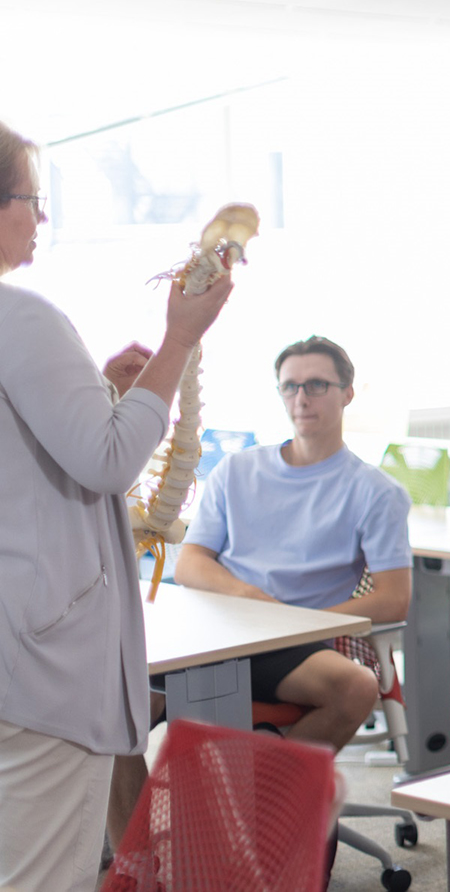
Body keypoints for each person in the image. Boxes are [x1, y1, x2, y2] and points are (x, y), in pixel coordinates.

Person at [0, 120, 233, 892]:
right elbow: (106, 459)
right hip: (40, 655)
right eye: (33, 199)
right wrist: (179, 341)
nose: (40, 218)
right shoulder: (21, 316)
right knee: (38, 873)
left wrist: (96, 393)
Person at [173, 336, 412, 742]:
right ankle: (137, 807)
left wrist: (301, 623)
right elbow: (190, 562)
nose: (302, 398)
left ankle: (276, 796)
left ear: (347, 394)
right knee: (118, 691)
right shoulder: (236, 470)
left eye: (317, 385)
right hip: (219, 624)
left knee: (357, 687)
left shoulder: (376, 491)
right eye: (291, 386)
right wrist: (247, 597)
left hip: (294, 642)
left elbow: (393, 598)